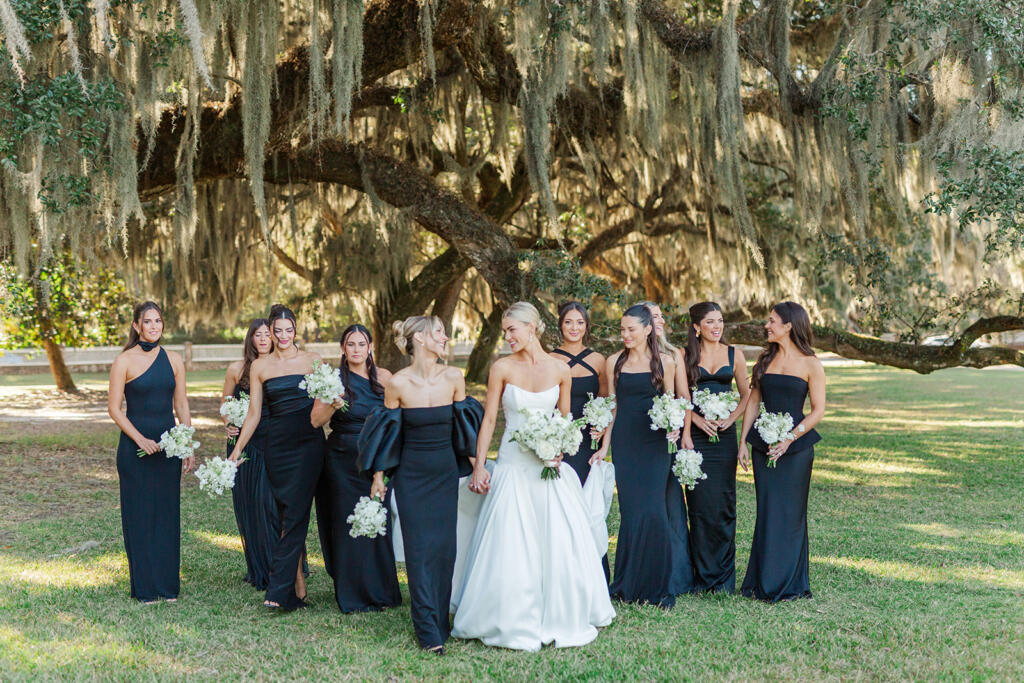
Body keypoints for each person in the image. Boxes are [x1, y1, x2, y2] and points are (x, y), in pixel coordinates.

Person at [452, 302, 615, 651]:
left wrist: (560, 449)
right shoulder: (502, 368)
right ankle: (509, 613)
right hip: (512, 464)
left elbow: (564, 420)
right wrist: (480, 465)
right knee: (511, 538)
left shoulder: (560, 370)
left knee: (557, 537)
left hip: (548, 468)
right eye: (505, 330)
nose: (507, 336)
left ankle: (559, 610)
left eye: (512, 329)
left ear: (532, 328)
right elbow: (490, 421)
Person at [357, 315, 480, 654]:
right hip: (411, 477)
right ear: (422, 338)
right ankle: (428, 631)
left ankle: (441, 620)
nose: (445, 337)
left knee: (444, 550)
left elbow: (465, 429)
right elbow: (387, 435)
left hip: (443, 475)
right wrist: (379, 477)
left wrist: (478, 468)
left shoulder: (454, 377)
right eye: (440, 332)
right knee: (419, 551)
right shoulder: (397, 383)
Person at [228, 304, 337, 610]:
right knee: (285, 515)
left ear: (295, 330)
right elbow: (253, 415)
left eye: (289, 330)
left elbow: (325, 405)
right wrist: (237, 450)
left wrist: (335, 403)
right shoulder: (261, 368)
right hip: (277, 447)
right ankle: (299, 589)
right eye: (278, 331)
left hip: (308, 445)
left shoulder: (312, 360)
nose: (284, 336)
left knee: (296, 513)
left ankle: (278, 590)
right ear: (271, 333)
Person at [594, 303, 681, 606]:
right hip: (626, 443)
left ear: (647, 329)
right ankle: (628, 585)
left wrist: (674, 429)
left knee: (655, 511)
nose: (625, 334)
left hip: (655, 444)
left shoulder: (666, 362)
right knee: (631, 513)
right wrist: (605, 445)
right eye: (622, 329)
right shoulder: (614, 361)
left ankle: (658, 587)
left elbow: (672, 404)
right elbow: (612, 405)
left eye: (631, 329)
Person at [738, 301, 825, 602]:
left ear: (788, 325)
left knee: (791, 514)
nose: (767, 325)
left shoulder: (811, 363)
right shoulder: (764, 360)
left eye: (772, 321)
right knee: (768, 511)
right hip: (764, 445)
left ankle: (791, 582)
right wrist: (743, 442)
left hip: (797, 450)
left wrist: (790, 438)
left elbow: (818, 410)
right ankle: (761, 582)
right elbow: (752, 402)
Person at [107, 301, 194, 603]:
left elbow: (181, 405)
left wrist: (186, 443)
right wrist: (140, 439)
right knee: (140, 515)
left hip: (169, 449)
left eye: (158, 321)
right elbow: (114, 409)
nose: (154, 326)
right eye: (148, 321)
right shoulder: (124, 361)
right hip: (135, 451)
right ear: (136, 326)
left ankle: (168, 586)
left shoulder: (173, 360)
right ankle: (145, 589)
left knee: (166, 515)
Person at [315, 324, 401, 613]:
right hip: (341, 461)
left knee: (378, 521)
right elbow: (315, 421)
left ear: (370, 347)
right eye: (350, 344)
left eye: (361, 344)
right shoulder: (333, 379)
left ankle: (382, 591)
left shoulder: (385, 377)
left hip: (376, 460)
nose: (356, 349)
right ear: (342, 348)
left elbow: (394, 419)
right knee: (346, 523)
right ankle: (352, 594)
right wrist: (333, 404)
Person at [683, 302, 750, 593]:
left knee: (723, 504)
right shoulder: (684, 356)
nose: (716, 327)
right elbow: (679, 396)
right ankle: (701, 576)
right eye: (710, 322)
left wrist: (731, 418)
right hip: (696, 437)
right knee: (698, 506)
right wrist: (696, 420)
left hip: (724, 438)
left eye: (720, 321)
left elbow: (748, 395)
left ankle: (723, 579)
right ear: (697, 326)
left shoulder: (734, 354)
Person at [220, 318, 279, 590]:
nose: (264, 339)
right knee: (251, 506)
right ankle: (257, 566)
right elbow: (225, 403)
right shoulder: (237, 369)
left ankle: (281, 564)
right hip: (243, 442)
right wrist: (228, 423)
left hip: (273, 439)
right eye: (259, 335)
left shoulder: (280, 366)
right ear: (251, 339)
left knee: (271, 504)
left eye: (269, 334)